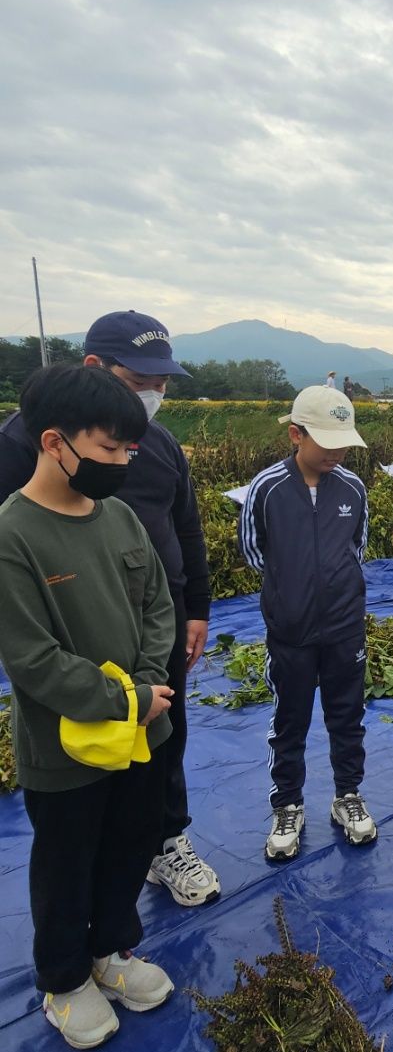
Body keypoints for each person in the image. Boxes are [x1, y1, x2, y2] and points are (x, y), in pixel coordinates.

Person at [0, 310, 219, 908]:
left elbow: (186, 527)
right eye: (140, 379)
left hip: (156, 622)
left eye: (163, 383)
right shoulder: (24, 445)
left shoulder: (161, 444)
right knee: (82, 757)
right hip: (74, 632)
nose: (154, 395)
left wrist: (194, 607)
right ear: (94, 368)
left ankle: (163, 840)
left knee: (160, 735)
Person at [0, 364, 177, 1049]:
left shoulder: (121, 517)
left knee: (128, 846)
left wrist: (147, 681)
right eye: (108, 450)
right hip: (67, 748)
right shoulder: (14, 535)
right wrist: (124, 696)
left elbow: (157, 603)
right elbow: (32, 658)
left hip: (143, 730)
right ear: (55, 443)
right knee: (67, 862)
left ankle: (110, 952)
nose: (122, 463)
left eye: (128, 449)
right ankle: (65, 979)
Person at [239, 386, 376, 862]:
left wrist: (335, 589)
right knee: (289, 720)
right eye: (326, 443)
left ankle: (348, 795)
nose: (336, 453)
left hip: (344, 627)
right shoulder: (268, 488)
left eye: (343, 444)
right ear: (296, 434)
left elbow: (356, 549)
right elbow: (256, 553)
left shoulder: (352, 488)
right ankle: (288, 804)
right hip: (291, 631)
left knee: (347, 714)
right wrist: (289, 593)